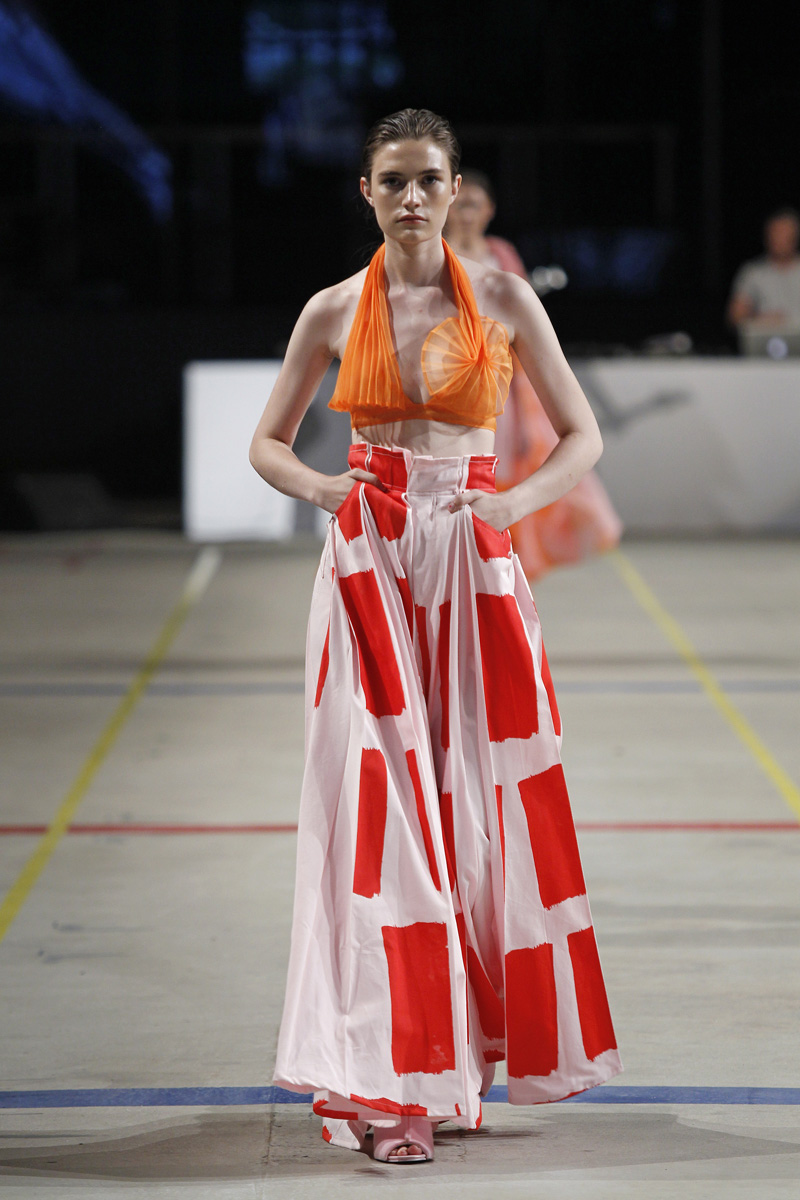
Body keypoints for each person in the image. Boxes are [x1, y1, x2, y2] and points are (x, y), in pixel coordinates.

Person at [250, 108, 622, 1165]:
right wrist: (325, 487)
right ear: (366, 192)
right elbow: (268, 442)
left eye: (428, 179)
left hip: (469, 559)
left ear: (456, 190)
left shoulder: (501, 298)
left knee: (475, 820)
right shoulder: (333, 308)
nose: (412, 197)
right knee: (383, 825)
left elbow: (581, 433)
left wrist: (510, 505)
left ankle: (449, 1063)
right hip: (368, 562)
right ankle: (394, 1088)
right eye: (393, 181)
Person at [445, 170, 623, 581]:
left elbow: (525, 322)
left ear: (489, 210)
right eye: (460, 204)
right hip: (450, 380)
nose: (466, 213)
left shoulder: (502, 254)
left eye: (474, 204)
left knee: (511, 466)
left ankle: (508, 567)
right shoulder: (434, 255)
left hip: (503, 382)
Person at [727, 207, 800, 329]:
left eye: (784, 233)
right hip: (767, 336)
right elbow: (735, 316)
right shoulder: (752, 272)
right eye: (775, 233)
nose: (779, 239)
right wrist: (759, 319)